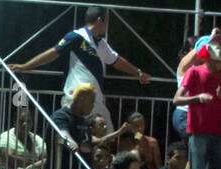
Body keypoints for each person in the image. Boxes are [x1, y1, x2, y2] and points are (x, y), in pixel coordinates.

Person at [9, 6, 151, 129]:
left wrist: (138, 73)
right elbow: (53, 52)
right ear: (100, 20)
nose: (108, 26)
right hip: (76, 99)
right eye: (107, 21)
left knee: (106, 138)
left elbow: (116, 60)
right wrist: (24, 66)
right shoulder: (76, 36)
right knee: (83, 140)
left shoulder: (101, 44)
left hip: (96, 102)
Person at [175, 41, 221, 169]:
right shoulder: (194, 71)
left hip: (218, 132)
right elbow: (176, 99)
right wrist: (199, 97)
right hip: (199, 130)